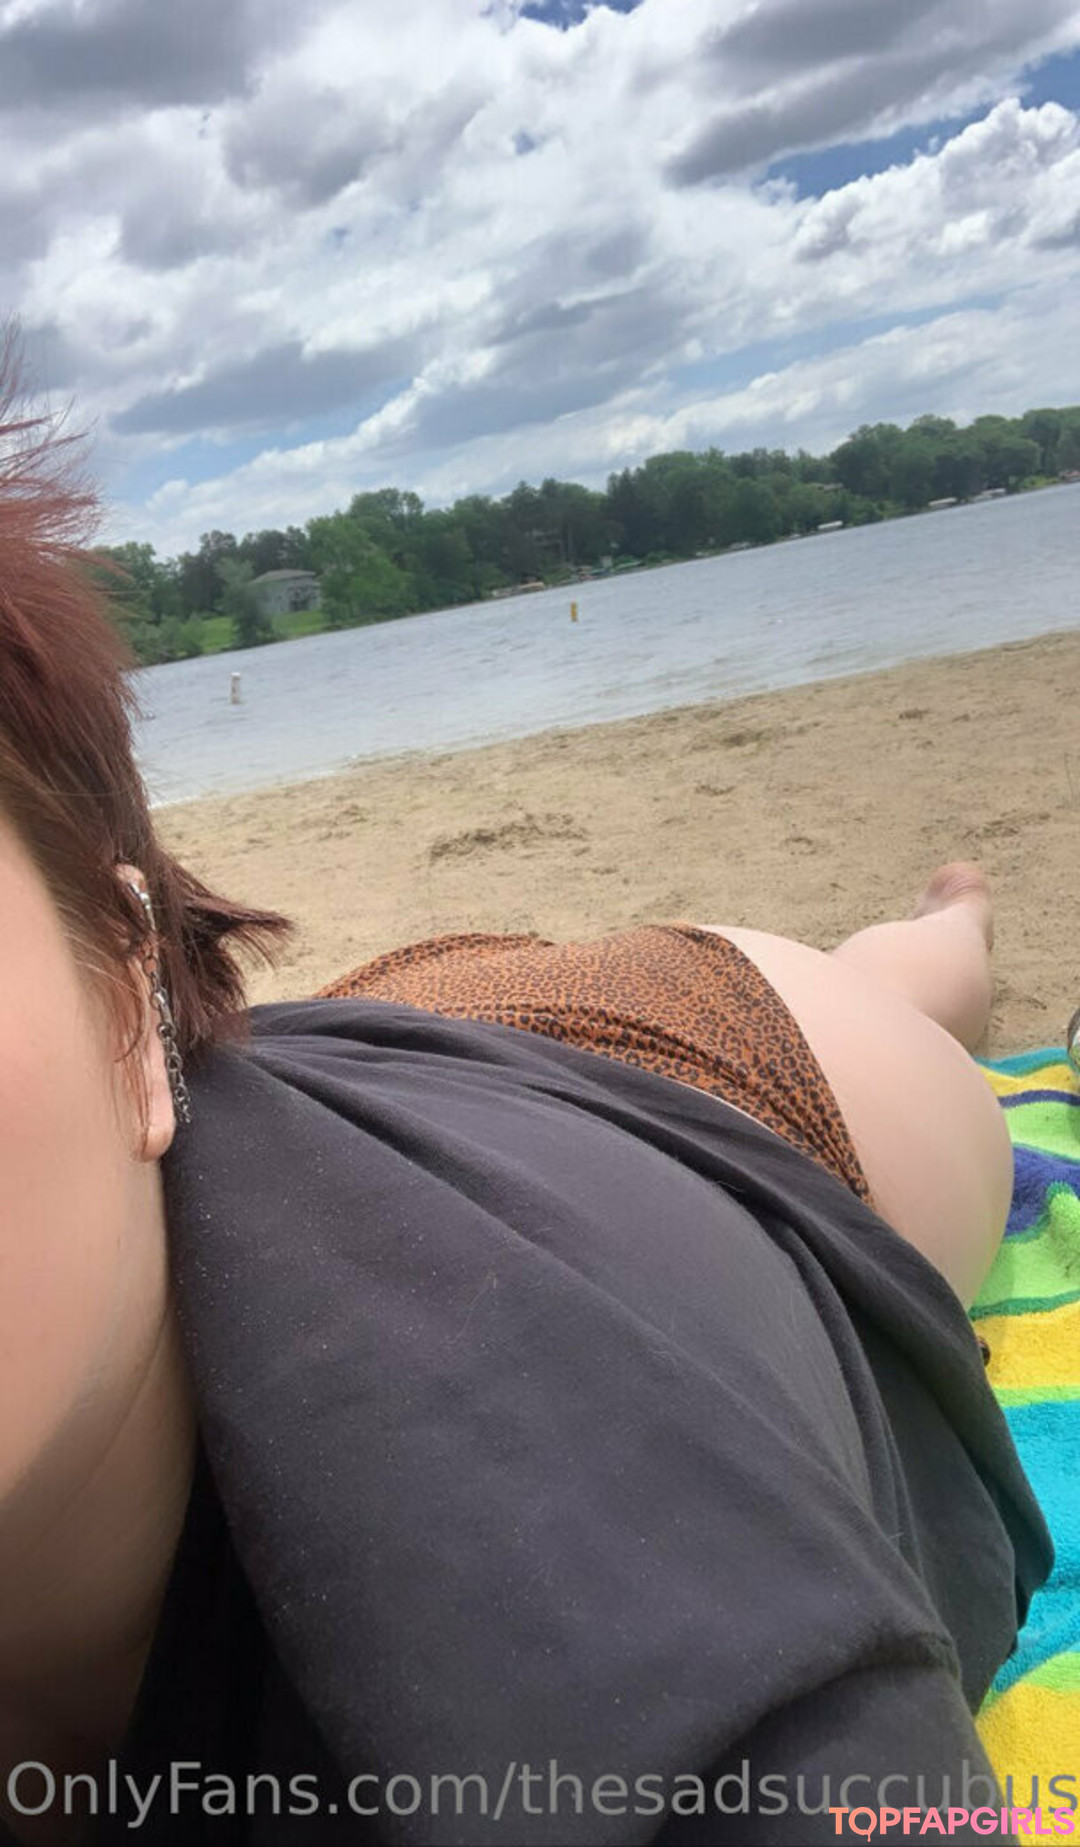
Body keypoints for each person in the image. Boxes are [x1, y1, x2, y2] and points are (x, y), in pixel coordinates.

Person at [0, 356, 1050, 1847]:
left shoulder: (616, 1605)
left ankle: (956, 912)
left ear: (122, 1000)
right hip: (343, 1059)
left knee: (905, 981)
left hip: (709, 1056)